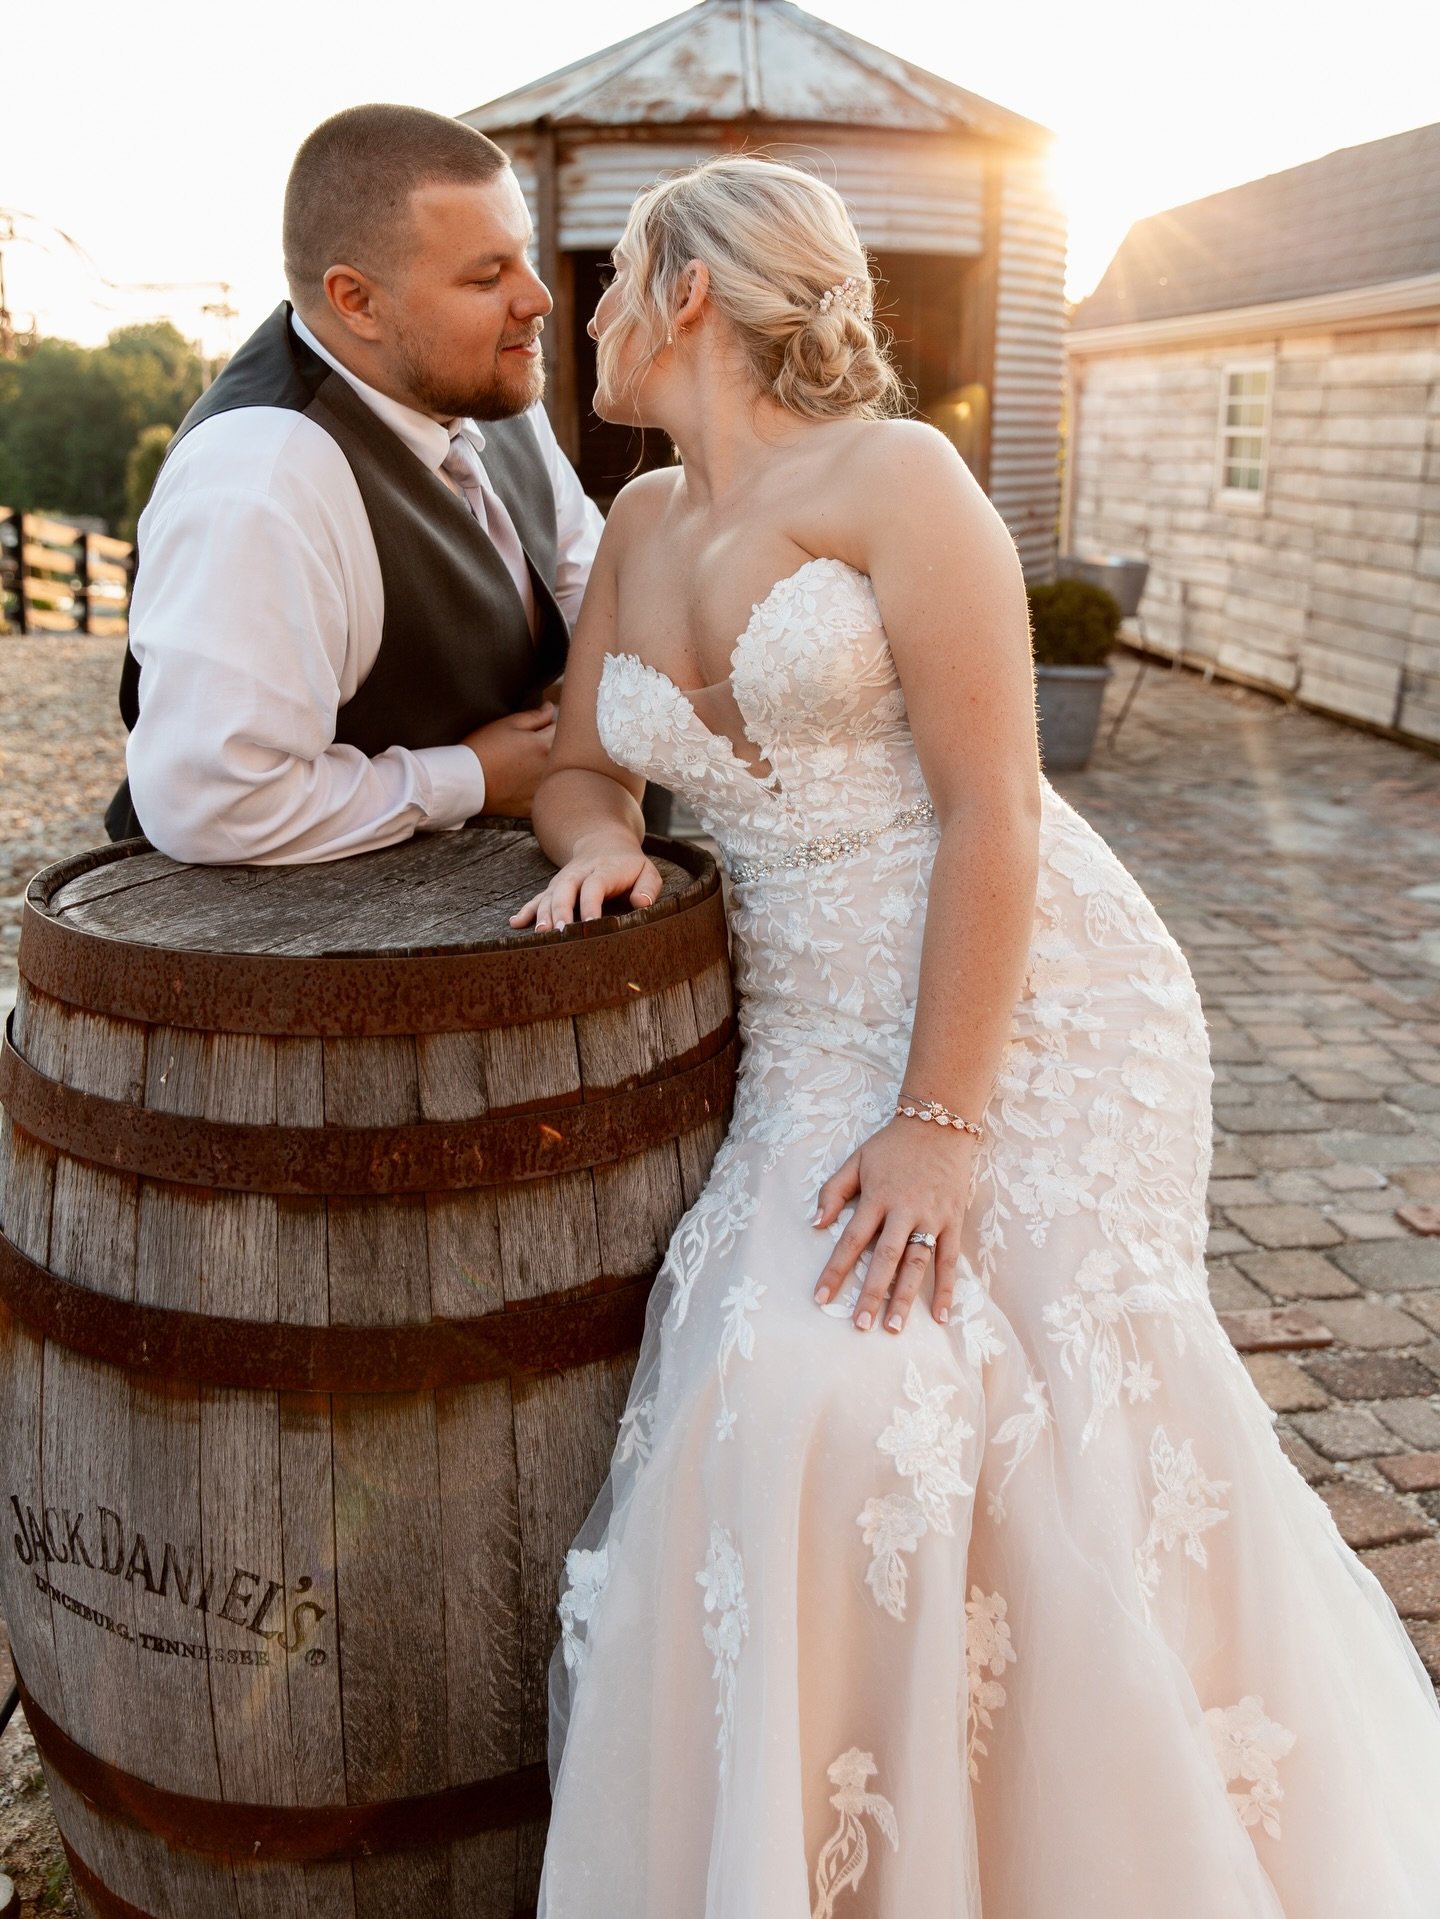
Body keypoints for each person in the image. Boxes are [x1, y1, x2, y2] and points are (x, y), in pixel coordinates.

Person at [511, 155, 1440, 1916]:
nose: (590, 315)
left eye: (617, 279)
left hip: (1025, 1005)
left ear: (691, 290)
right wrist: (610, 842)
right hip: (807, 1036)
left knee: (1032, 1415)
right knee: (801, 1391)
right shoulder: (635, 526)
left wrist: (944, 1112)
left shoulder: (899, 476)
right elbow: (576, 766)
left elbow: (997, 804)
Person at [104, 103, 603, 862]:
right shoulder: (261, 480)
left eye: (524, 256)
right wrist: (469, 777)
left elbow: (584, 582)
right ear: (356, 301)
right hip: (270, 951)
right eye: (486, 276)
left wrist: (593, 707)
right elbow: (211, 805)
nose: (538, 298)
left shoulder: (483, 383)